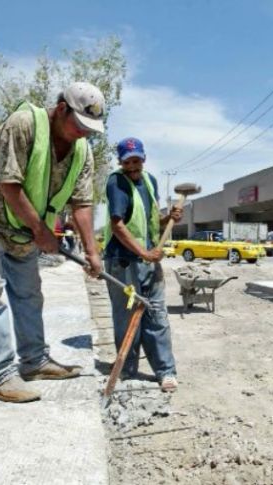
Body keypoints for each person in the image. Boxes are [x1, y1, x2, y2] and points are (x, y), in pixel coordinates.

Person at [0, 81, 106, 403]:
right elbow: (10, 186)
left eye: (90, 129)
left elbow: (81, 203)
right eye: (79, 125)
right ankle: (0, 375)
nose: (83, 133)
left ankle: (35, 361)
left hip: (22, 228)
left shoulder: (83, 151)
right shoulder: (24, 123)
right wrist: (42, 233)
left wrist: (92, 252)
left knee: (29, 294)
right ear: (61, 108)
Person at [103, 137, 183, 392]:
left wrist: (168, 218)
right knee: (127, 316)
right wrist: (144, 253)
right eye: (128, 161)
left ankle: (166, 372)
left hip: (148, 259)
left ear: (144, 158)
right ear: (121, 162)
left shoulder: (150, 181)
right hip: (123, 261)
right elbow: (117, 225)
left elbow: (151, 223)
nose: (134, 165)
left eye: (137, 159)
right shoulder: (117, 182)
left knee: (157, 313)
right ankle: (127, 368)